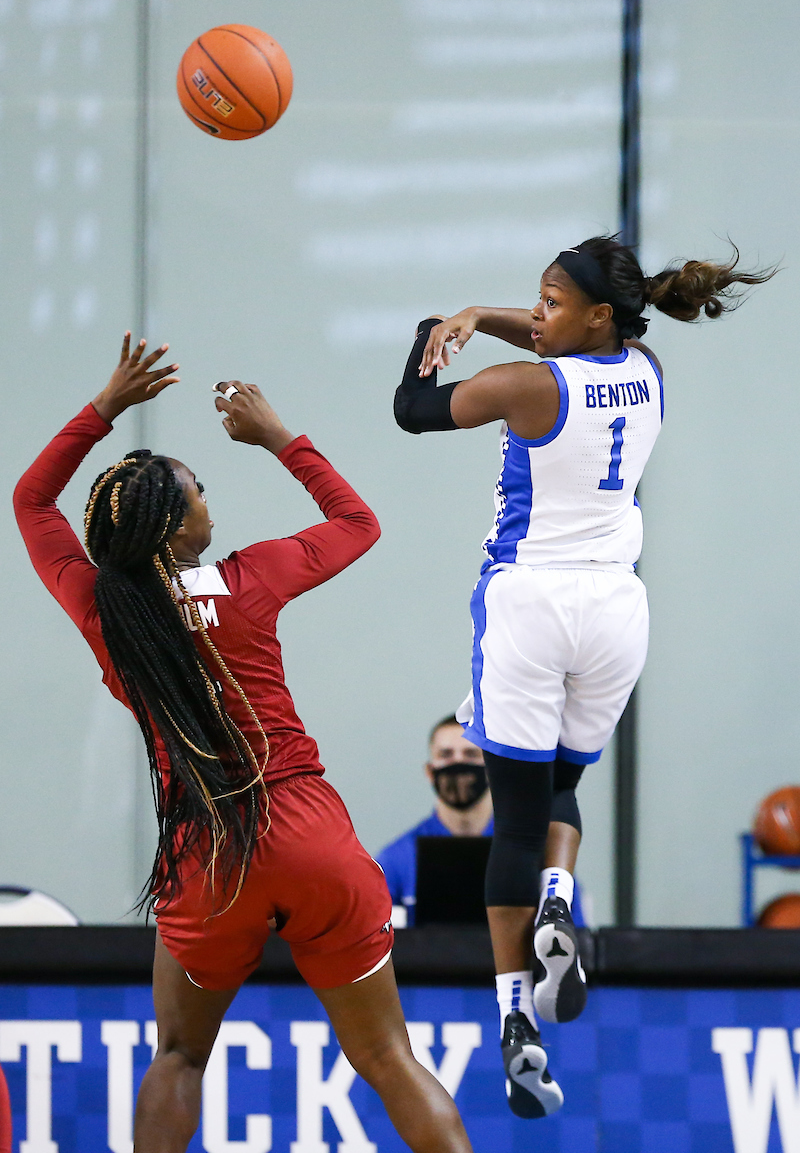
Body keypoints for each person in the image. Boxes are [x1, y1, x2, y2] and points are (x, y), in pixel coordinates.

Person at [14, 335, 473, 1153]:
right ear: (176, 523)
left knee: (180, 1055)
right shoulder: (249, 578)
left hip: (209, 849)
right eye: (200, 491)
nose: (209, 504)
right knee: (386, 1057)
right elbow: (358, 523)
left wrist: (106, 407)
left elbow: (31, 501)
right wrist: (276, 437)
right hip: (308, 832)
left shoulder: (104, 610)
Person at [393, 236, 774, 1119]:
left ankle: (515, 1018)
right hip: (616, 610)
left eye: (551, 302)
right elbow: (552, 341)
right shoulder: (647, 371)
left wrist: (430, 330)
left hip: (530, 604)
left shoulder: (527, 387)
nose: (536, 315)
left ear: (598, 314)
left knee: (515, 825)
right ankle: (559, 904)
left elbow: (414, 410)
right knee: (562, 785)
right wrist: (481, 315)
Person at [378, 714, 587, 929]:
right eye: (446, 754)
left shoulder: (535, 855)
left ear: (492, 769)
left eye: (470, 754)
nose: (458, 762)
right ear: (430, 772)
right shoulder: (395, 860)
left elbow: (573, 936)